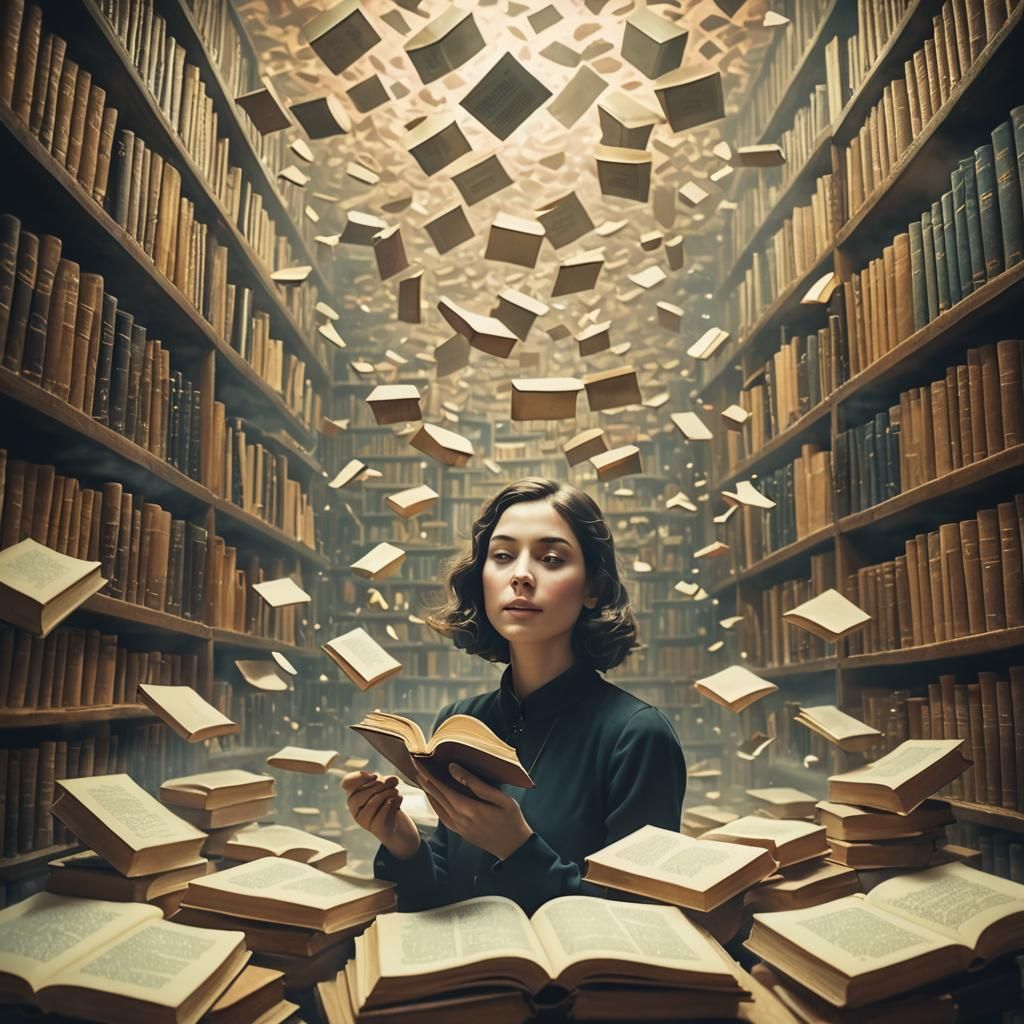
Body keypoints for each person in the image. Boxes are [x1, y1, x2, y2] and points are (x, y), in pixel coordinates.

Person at [341, 477, 686, 915]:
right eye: (502, 556)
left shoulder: (638, 736)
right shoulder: (460, 722)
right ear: (481, 576)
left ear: (593, 588)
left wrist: (517, 848)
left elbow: (644, 921)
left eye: (551, 558)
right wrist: (404, 844)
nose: (521, 575)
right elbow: (442, 902)